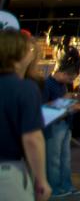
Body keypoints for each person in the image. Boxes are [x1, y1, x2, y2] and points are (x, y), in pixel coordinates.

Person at [0, 29, 50, 201]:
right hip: (7, 173)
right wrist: (41, 179)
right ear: (17, 52)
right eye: (29, 49)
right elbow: (32, 138)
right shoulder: (25, 89)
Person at [43, 52, 80, 198]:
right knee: (54, 159)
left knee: (65, 158)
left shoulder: (62, 86)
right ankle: (54, 187)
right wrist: (62, 101)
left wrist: (70, 104)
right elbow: (42, 107)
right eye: (71, 78)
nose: (71, 81)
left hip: (65, 123)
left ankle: (66, 185)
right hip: (54, 125)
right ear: (64, 74)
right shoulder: (47, 85)